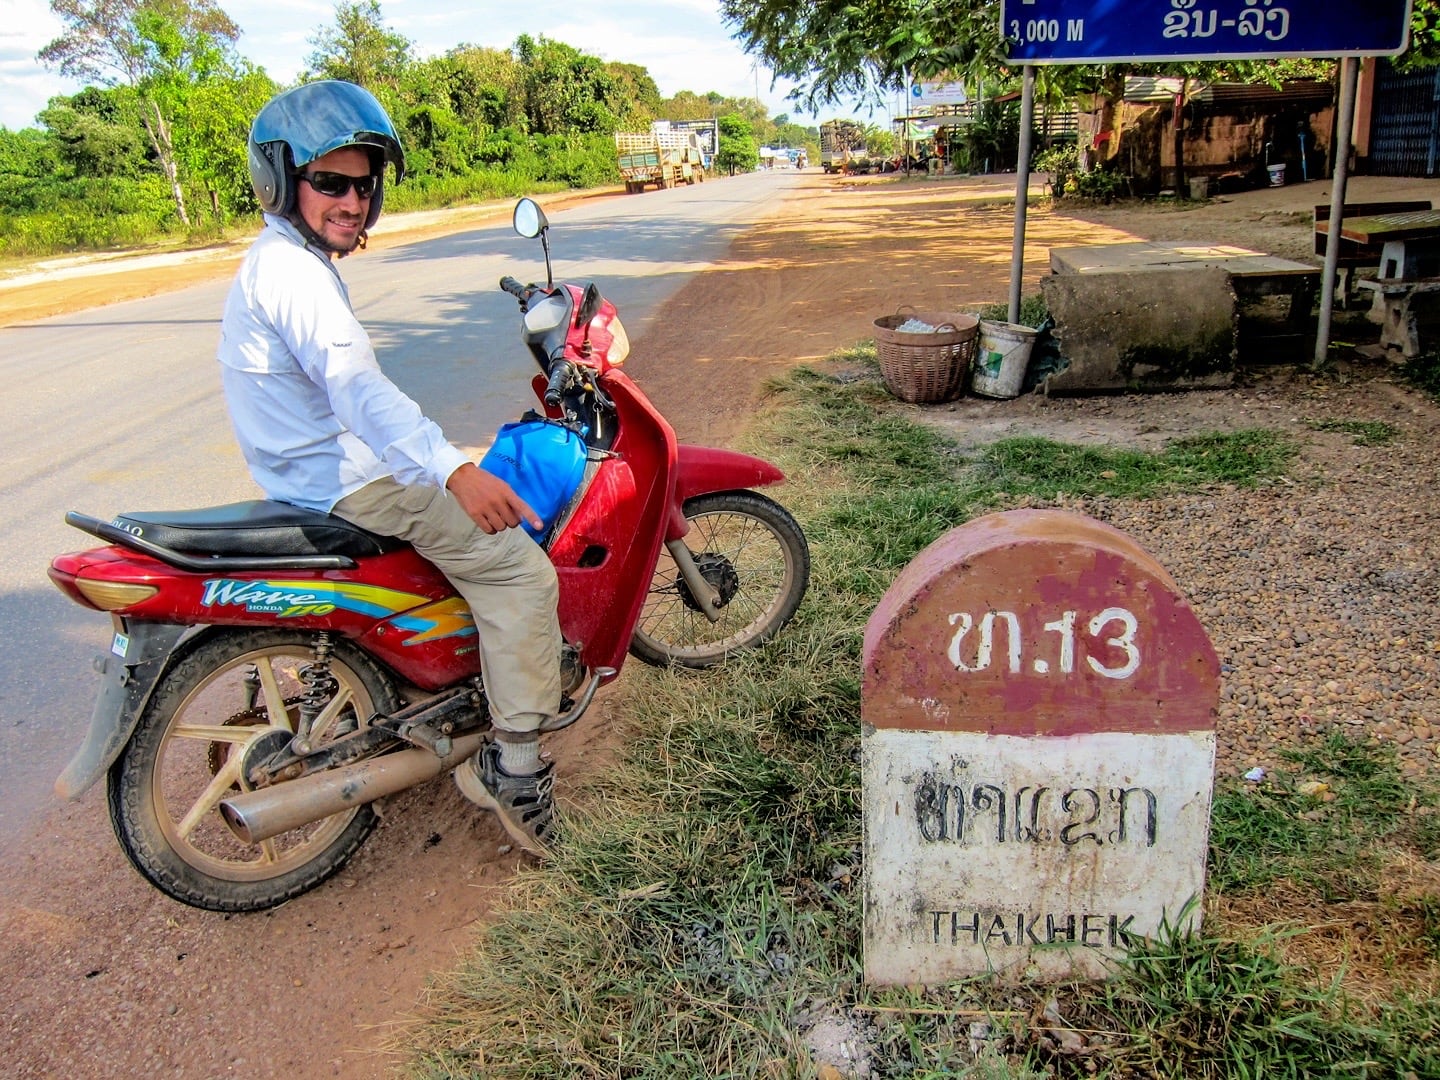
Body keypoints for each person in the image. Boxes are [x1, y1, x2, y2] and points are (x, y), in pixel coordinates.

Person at [218, 80, 562, 855]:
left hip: (309, 475)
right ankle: (516, 767)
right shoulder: (297, 276)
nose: (351, 200)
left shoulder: (278, 260)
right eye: (329, 182)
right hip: (347, 481)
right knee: (521, 574)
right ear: (280, 180)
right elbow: (357, 388)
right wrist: (450, 468)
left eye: (362, 184)